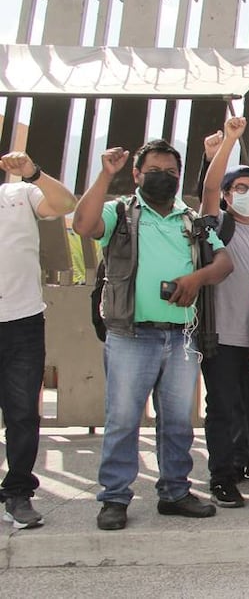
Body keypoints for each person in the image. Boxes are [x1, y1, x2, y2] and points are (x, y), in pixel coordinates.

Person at [74, 142, 234, 531]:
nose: (163, 176)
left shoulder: (191, 220)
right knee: (123, 420)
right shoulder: (121, 213)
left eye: (170, 171)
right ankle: (114, 498)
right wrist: (104, 175)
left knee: (177, 422)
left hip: (181, 336)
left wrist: (197, 278)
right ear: (137, 174)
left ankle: (175, 492)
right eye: (154, 170)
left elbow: (224, 261)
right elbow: (83, 225)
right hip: (130, 334)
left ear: (179, 178)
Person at [197, 116, 249, 507]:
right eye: (241, 188)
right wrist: (229, 141)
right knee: (224, 411)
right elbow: (209, 187)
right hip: (223, 339)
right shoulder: (219, 225)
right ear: (228, 195)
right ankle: (222, 478)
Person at [0, 151, 77, 530]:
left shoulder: (19, 195)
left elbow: (65, 203)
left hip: (22, 321)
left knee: (22, 413)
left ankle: (17, 492)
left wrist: (33, 172)